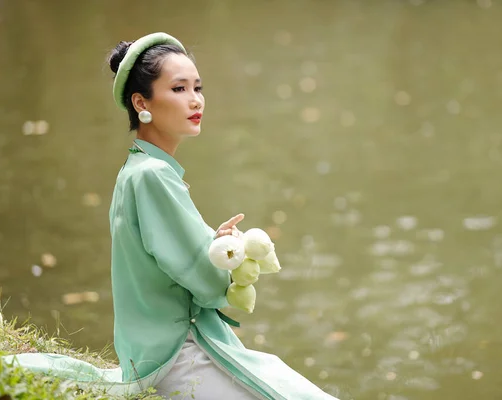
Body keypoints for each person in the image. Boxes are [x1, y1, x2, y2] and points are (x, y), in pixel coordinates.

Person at [106, 32, 339, 400]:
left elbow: (170, 264)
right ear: (141, 102)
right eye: (179, 89)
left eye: (197, 87)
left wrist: (213, 244)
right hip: (174, 356)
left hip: (153, 350)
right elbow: (209, 285)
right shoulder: (154, 176)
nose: (195, 100)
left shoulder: (137, 170)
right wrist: (229, 255)